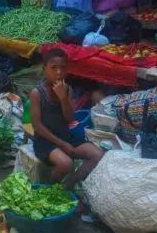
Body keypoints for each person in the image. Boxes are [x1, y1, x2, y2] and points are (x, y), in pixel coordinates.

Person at [30, 48, 103, 189]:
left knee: (98, 155)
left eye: (62, 68)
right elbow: (37, 126)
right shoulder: (37, 93)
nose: (58, 73)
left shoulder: (67, 89)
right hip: (45, 141)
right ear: (45, 69)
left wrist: (63, 98)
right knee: (66, 164)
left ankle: (67, 185)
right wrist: (62, 145)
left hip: (66, 136)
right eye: (53, 68)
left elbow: (69, 118)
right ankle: (49, 187)